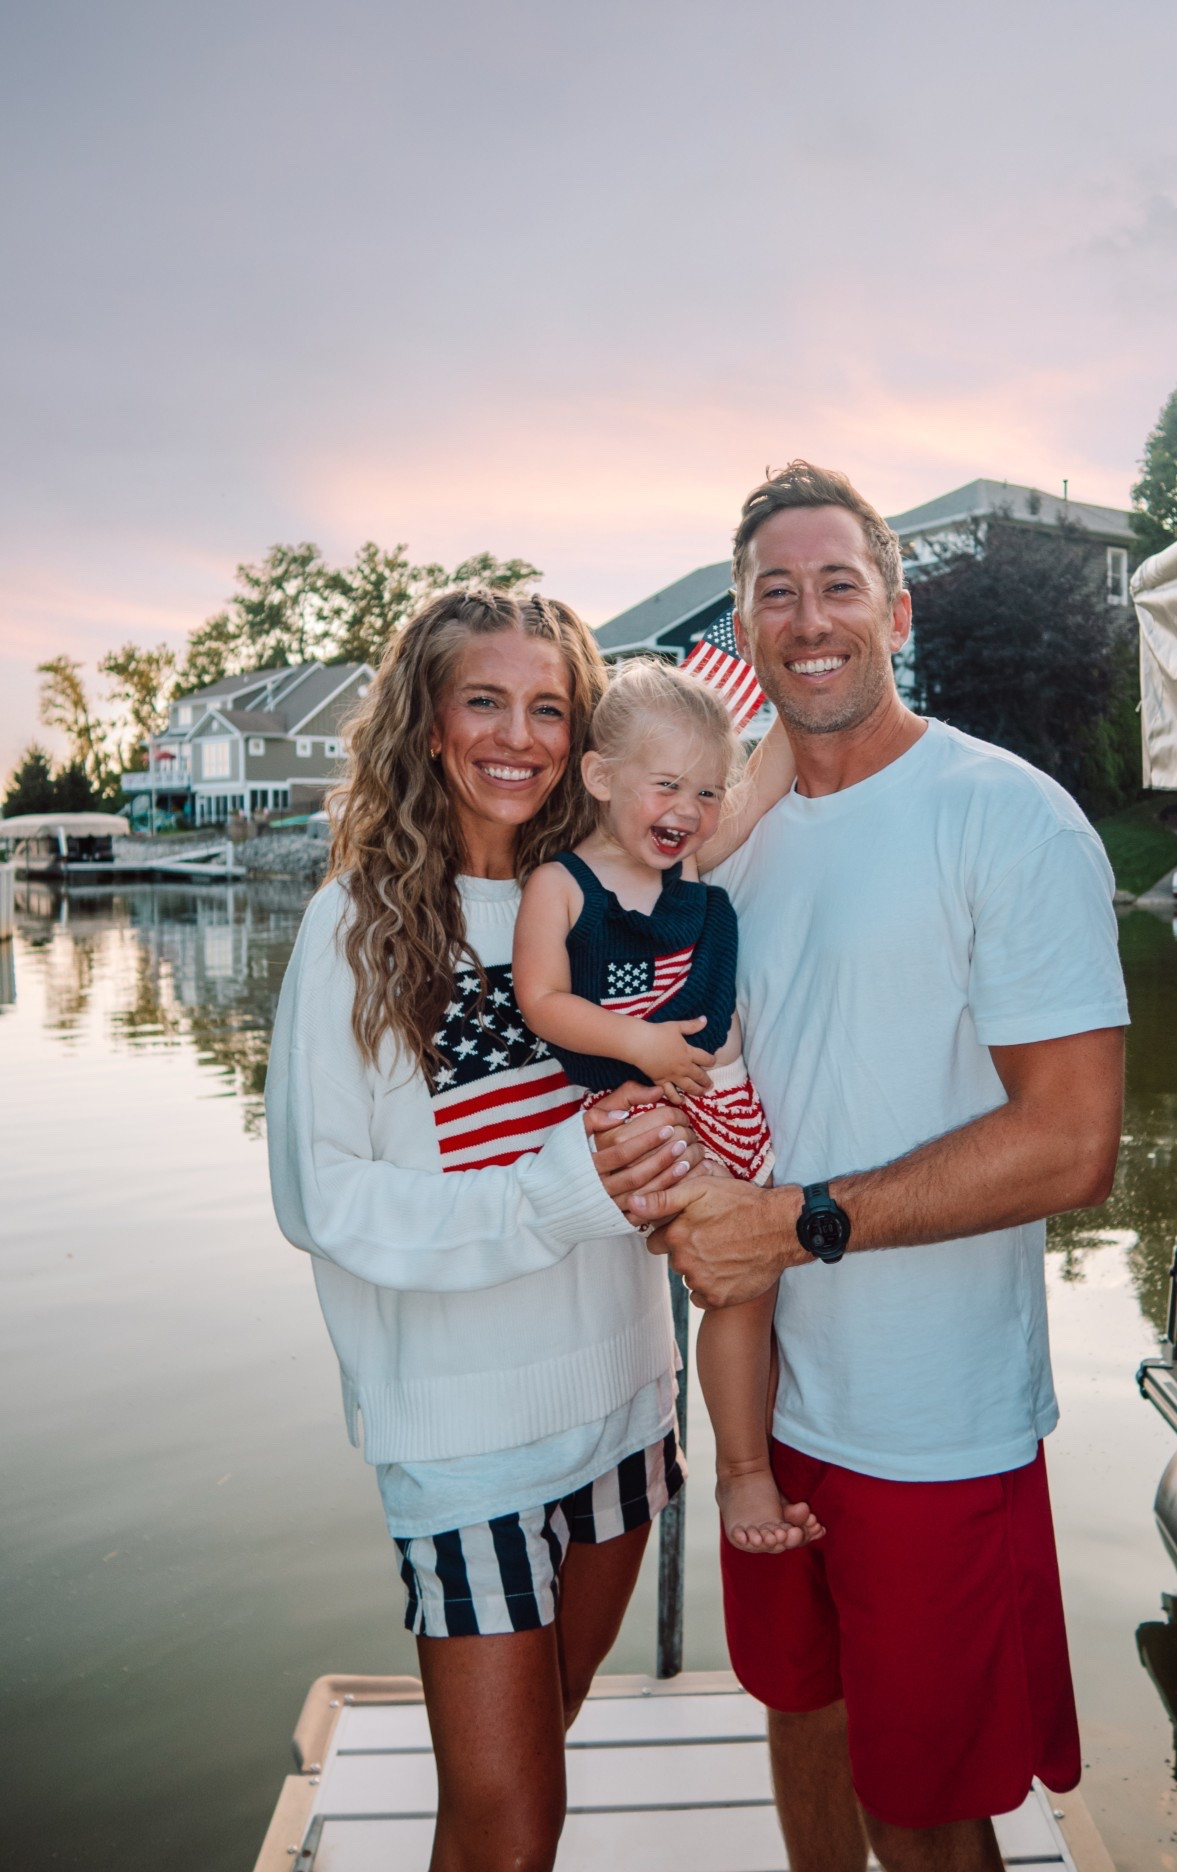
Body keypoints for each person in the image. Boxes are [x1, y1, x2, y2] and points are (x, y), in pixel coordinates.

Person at [630, 462, 1130, 1872]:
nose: (807, 618)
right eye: (771, 593)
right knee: (797, 1711)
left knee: (922, 1804)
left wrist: (791, 1226)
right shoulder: (721, 845)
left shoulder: (1007, 816)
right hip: (764, 1400)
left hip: (928, 1415)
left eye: (837, 583)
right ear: (739, 628)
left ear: (895, 608)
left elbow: (1072, 1143)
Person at [266, 588, 706, 1872]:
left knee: (531, 1762)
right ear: (427, 718)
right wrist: (557, 1187)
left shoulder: (612, 901)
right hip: (462, 1439)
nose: (518, 736)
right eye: (483, 700)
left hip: (625, 1397)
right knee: (513, 1822)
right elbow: (324, 1198)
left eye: (550, 708)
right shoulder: (353, 926)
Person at [513, 655, 821, 1554]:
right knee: (723, 1265)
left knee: (749, 1281)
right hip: (642, 1103)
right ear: (602, 779)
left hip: (726, 1099)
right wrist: (639, 1041)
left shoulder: (687, 864)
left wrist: (786, 664)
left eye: (705, 793)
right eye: (666, 786)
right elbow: (543, 1000)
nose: (688, 810)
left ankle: (742, 1459)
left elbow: (765, 782)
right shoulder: (562, 884)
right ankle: (742, 1474)